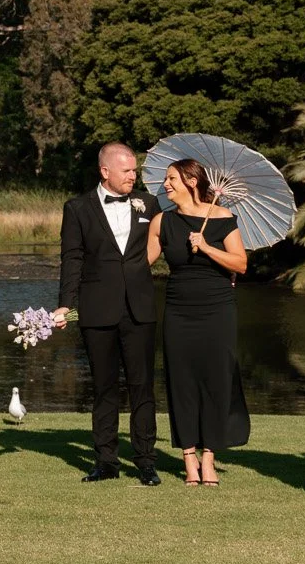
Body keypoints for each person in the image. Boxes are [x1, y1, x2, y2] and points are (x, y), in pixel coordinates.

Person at [53, 142, 161, 486]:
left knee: (142, 386)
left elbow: (163, 242)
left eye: (134, 170)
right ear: (105, 172)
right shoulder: (77, 208)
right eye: (127, 170)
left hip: (140, 307)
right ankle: (106, 461)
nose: (133, 176)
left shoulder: (150, 203)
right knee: (103, 388)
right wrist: (65, 304)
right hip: (97, 308)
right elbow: (72, 259)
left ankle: (146, 462)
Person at [152, 158, 250, 484]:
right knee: (181, 382)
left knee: (216, 381)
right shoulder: (161, 221)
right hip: (178, 310)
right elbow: (137, 265)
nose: (165, 185)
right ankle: (188, 456)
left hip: (218, 311)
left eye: (171, 179)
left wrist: (207, 247)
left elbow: (240, 264)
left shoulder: (223, 218)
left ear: (192, 181)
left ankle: (209, 457)